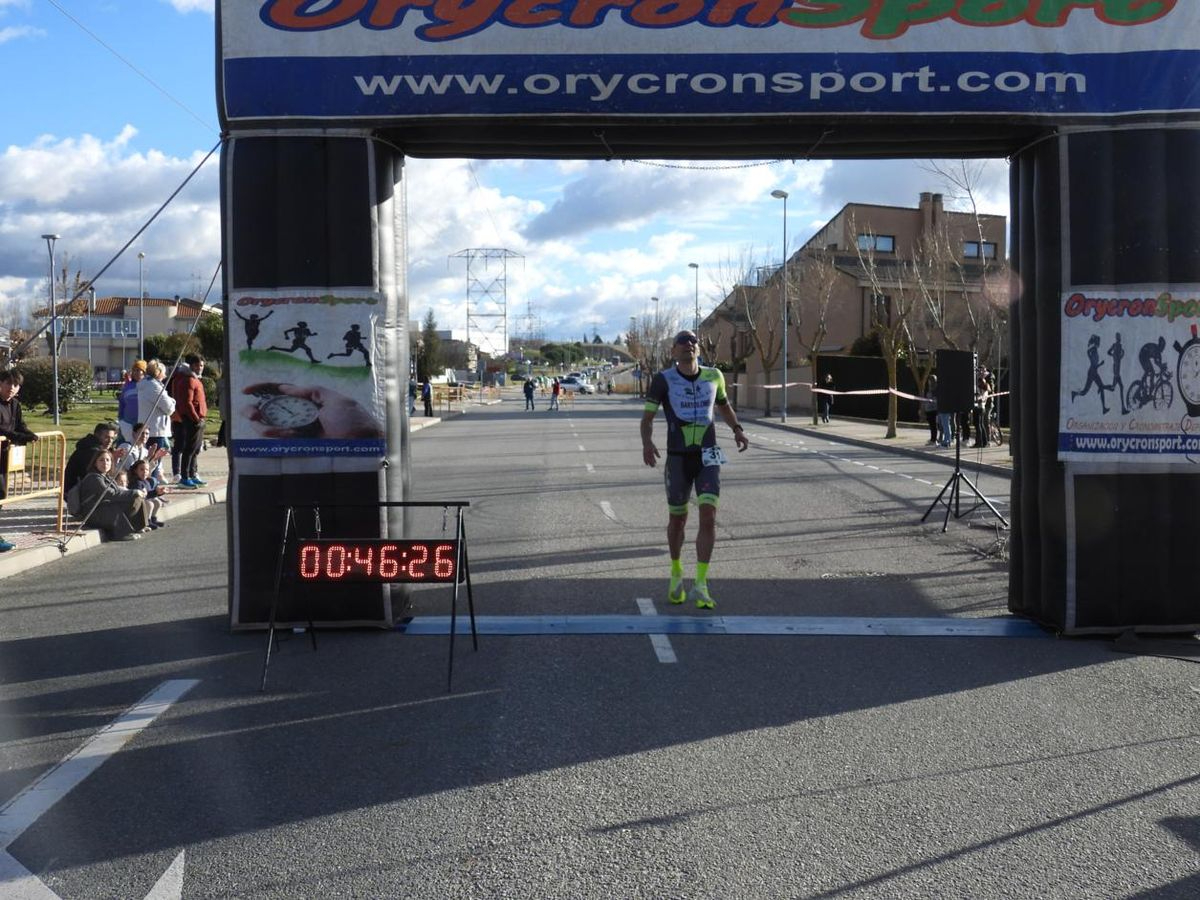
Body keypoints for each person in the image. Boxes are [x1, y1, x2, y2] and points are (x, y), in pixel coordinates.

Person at [641, 330, 749, 609]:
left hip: (708, 455)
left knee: (709, 516)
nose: (689, 344)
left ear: (699, 350)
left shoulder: (714, 376)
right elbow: (648, 418)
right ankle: (676, 571)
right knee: (677, 519)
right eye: (682, 341)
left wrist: (737, 429)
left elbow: (724, 406)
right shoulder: (663, 379)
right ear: (673, 351)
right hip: (678, 458)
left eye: (693, 341)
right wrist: (647, 443)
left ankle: (701, 584)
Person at [0, 370, 39, 552]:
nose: (11, 388)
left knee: (1, 494)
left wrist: (30, 434)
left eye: (15, 385)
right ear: (1, 383)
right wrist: (20, 437)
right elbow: (3, 430)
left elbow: (19, 425)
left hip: (4, 456)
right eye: (8, 383)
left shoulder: (15, 405)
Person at [72, 448, 147, 541]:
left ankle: (138, 526)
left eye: (108, 460)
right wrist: (134, 492)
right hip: (92, 514)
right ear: (95, 463)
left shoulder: (106, 477)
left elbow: (118, 491)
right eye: (101, 460)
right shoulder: (93, 478)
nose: (105, 463)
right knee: (113, 507)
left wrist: (135, 493)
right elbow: (110, 494)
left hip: (103, 510)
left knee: (137, 498)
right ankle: (122, 534)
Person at [172, 354, 208, 487]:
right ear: (191, 366)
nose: (200, 368)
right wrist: (196, 418)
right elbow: (187, 403)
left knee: (196, 449)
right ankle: (185, 477)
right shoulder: (188, 380)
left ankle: (192, 474)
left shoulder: (196, 379)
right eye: (197, 365)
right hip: (192, 420)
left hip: (199, 419)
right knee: (189, 449)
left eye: (202, 365)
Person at [137, 360, 176, 481]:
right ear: (158, 372)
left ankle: (152, 483)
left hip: (150, 427)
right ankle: (152, 485)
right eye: (163, 372)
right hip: (156, 429)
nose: (165, 375)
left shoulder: (145, 384)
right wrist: (173, 401)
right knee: (154, 461)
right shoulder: (154, 387)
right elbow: (169, 408)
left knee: (152, 460)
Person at [64, 421, 120, 493]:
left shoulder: (98, 449)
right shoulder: (91, 451)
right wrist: (112, 458)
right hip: (77, 493)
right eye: (106, 437)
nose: (110, 441)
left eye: (112, 438)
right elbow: (100, 476)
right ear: (97, 435)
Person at [1070, 335, 1109, 414]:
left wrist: (1096, 362)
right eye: (1098, 342)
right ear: (1096, 342)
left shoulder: (1094, 350)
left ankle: (1104, 409)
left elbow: (1091, 357)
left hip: (1094, 372)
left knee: (1100, 388)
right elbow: (1094, 364)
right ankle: (1074, 393)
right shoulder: (1094, 349)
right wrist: (1100, 364)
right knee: (1085, 392)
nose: (1099, 343)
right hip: (1092, 373)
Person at [129, 457, 169, 529]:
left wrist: (159, 492)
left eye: (146, 470)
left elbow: (150, 494)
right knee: (150, 504)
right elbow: (142, 496)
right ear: (135, 471)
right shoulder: (137, 483)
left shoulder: (147, 481)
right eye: (141, 469)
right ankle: (147, 521)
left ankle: (153, 519)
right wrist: (155, 492)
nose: (144, 472)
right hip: (137, 504)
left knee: (157, 502)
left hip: (145, 501)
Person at [117, 360, 146, 443]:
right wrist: (121, 418)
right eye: (134, 370)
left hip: (141, 423)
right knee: (123, 445)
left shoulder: (147, 386)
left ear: (144, 372)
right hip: (127, 422)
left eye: (138, 370)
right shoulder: (127, 386)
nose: (135, 373)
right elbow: (122, 402)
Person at [1107, 333, 1130, 415]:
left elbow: (1109, 353)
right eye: (1119, 337)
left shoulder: (1114, 345)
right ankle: (1123, 409)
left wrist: (1114, 355)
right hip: (1117, 370)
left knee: (1114, 387)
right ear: (1118, 338)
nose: (1120, 338)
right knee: (1118, 387)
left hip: (1116, 369)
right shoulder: (1119, 346)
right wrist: (1122, 354)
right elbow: (1118, 358)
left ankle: (1123, 409)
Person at [921, 375, 939, 445]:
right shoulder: (929, 389)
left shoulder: (935, 390)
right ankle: (932, 439)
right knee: (931, 425)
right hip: (928, 409)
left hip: (933, 410)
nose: (929, 382)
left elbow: (935, 400)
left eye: (930, 380)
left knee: (933, 425)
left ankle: (934, 440)